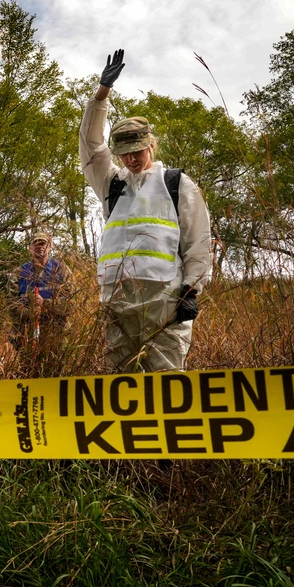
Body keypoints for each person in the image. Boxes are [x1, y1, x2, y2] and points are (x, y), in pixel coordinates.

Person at [80, 49, 212, 372]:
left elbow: (198, 242)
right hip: (117, 304)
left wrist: (191, 290)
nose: (130, 160)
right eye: (124, 154)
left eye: (137, 151)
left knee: (165, 389)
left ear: (150, 145)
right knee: (120, 387)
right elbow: (90, 144)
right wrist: (101, 94)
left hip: (164, 305)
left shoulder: (175, 184)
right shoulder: (112, 184)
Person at [8, 231, 69, 351]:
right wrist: (30, 312)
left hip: (56, 332)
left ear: (49, 246)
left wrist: (45, 304)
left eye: (43, 243)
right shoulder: (19, 272)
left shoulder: (61, 269)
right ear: (30, 248)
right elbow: (11, 303)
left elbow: (72, 302)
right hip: (26, 333)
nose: (39, 246)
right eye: (35, 244)